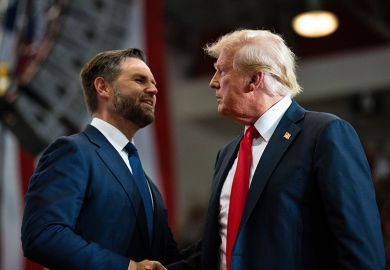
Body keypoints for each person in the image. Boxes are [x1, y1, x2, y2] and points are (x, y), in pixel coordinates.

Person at [199, 29, 386, 270]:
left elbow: (361, 252)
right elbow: (221, 248)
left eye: (222, 71)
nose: (213, 81)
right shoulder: (227, 154)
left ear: (255, 79)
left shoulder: (325, 134)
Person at [21, 48, 178, 270]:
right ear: (103, 87)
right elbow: (44, 234)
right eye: (140, 80)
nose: (153, 89)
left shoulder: (146, 183)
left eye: (153, 82)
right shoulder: (72, 152)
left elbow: (165, 259)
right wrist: (128, 267)